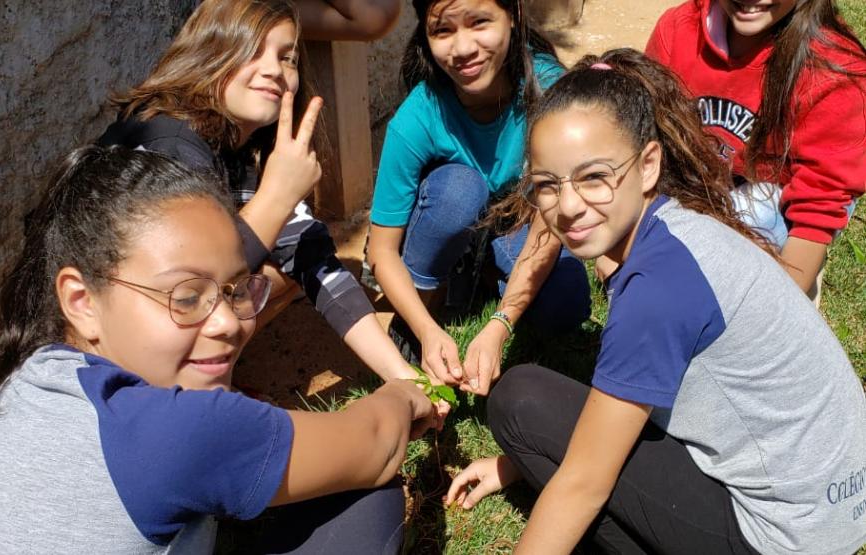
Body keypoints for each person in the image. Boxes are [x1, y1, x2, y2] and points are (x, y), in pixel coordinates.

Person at [445, 50, 866, 554]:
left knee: (520, 402)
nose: (569, 204)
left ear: (648, 165)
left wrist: (539, 460)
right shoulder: (679, 229)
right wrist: (518, 465)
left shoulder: (655, 290)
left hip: (785, 536)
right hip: (834, 506)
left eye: (594, 177)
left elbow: (582, 486)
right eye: (547, 186)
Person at [0, 146, 435, 554]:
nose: (228, 322)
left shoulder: (14, 386)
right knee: (362, 498)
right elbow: (375, 445)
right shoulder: (177, 432)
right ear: (82, 301)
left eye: (236, 288)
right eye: (185, 297)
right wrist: (405, 393)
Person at [98, 0, 430, 389]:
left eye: (288, 58)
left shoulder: (240, 146)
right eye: (253, 51)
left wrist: (406, 378)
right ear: (212, 52)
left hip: (162, 316)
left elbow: (312, 257)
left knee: (290, 255)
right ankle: (189, 400)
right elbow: (191, 285)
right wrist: (278, 193)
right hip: (104, 350)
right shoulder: (169, 142)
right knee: (237, 283)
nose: (275, 69)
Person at [364, 0, 591, 390]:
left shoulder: (550, 92)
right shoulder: (418, 114)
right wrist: (425, 330)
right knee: (457, 190)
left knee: (566, 302)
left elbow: (549, 225)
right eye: (443, 31)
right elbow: (381, 251)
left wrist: (499, 326)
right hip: (452, 210)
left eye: (479, 22)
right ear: (426, 36)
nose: (463, 47)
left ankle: (482, 276)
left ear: (514, 16)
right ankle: (426, 301)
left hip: (519, 221)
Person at [645, 0, 866, 297]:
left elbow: (819, 203)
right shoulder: (678, 29)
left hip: (780, 200)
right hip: (703, 184)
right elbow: (644, 137)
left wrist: (781, 307)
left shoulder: (835, 69)